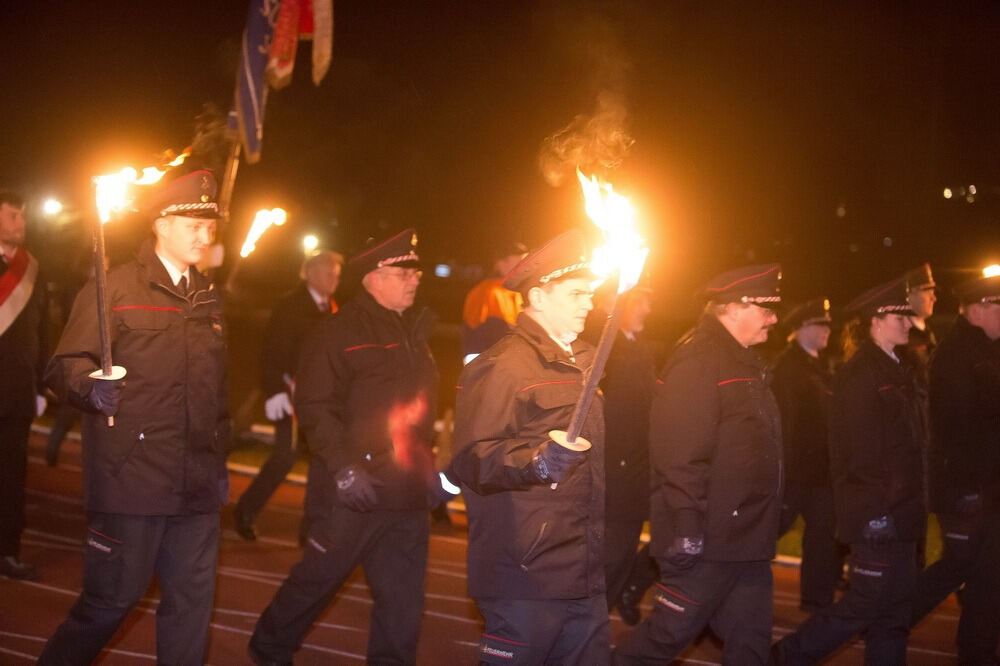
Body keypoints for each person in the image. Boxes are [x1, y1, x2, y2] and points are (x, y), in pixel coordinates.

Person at [39, 170, 230, 665]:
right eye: (193, 223)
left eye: (210, 225)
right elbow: (63, 366)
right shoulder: (115, 287)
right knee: (110, 603)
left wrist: (218, 460)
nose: (205, 234)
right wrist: (91, 389)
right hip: (132, 480)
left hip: (196, 486)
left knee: (191, 609)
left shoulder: (208, 298)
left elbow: (216, 394)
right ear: (160, 224)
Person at [249, 228, 439, 666]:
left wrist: (429, 471)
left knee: (403, 600)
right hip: (354, 490)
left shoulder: (415, 332)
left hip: (406, 492)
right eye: (404, 271)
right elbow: (315, 406)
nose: (415, 278)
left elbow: (417, 413)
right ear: (374, 276)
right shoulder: (339, 332)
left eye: (417, 271)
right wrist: (344, 468)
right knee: (318, 579)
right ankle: (269, 646)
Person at [449, 229, 610, 664]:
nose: (589, 303)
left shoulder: (585, 363)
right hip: (526, 577)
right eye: (577, 293)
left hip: (584, 571)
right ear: (538, 297)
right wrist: (537, 462)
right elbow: (471, 457)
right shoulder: (502, 366)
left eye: (591, 293)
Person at [613, 263, 783, 666]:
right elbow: (678, 454)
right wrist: (686, 529)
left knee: (751, 647)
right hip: (708, 540)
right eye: (766, 309)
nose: (774, 319)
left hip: (746, 541)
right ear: (732, 308)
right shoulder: (699, 360)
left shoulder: (742, 359)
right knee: (665, 639)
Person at [773, 277, 927, 665]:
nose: (909, 324)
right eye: (900, 316)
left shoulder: (897, 367)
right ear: (876, 320)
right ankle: (786, 656)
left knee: (894, 614)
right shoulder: (861, 375)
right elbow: (858, 454)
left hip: (904, 513)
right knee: (862, 606)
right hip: (880, 516)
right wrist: (875, 516)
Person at [911, 275, 1000, 664]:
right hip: (968, 487)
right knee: (960, 567)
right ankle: (889, 618)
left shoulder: (988, 350)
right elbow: (960, 427)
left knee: (987, 575)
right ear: (978, 310)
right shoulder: (955, 356)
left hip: (988, 485)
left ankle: (976, 652)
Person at [233, 250, 343, 541]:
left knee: (322, 461)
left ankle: (312, 527)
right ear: (311, 273)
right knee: (285, 456)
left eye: (337, 274)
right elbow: (271, 351)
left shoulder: (331, 309)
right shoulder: (290, 306)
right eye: (329, 273)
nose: (334, 279)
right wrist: (274, 390)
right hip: (288, 393)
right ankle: (246, 510)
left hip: (319, 398)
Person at [771, 298, 841, 611]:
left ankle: (817, 602)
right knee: (765, 533)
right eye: (820, 324)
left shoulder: (819, 365)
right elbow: (785, 423)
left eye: (828, 323)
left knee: (824, 537)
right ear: (801, 328)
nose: (828, 330)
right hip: (794, 473)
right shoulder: (788, 368)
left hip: (819, 473)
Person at [594, 286, 658, 626]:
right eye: (641, 300)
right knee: (612, 556)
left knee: (621, 555)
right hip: (613, 473)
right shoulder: (606, 346)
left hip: (635, 471)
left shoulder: (637, 348)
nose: (648, 309)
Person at [0, 190, 48, 580]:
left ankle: (7, 551)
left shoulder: (32, 268)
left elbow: (41, 331)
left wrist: (40, 383)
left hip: (16, 393)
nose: (22, 222)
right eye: (13, 215)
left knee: (12, 477)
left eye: (23, 216)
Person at [460, 241, 527, 365]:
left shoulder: (522, 293)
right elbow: (473, 344)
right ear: (500, 263)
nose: (523, 267)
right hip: (494, 374)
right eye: (519, 262)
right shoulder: (483, 293)